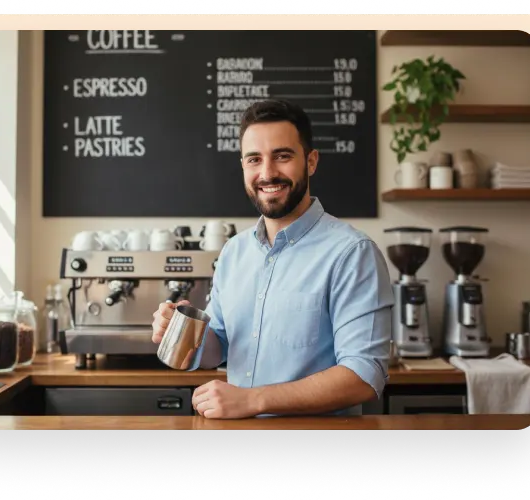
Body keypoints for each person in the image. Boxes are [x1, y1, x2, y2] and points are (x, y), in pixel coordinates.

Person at [152, 99, 394, 419]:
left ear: (310, 162)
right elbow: (219, 346)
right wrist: (183, 330)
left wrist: (253, 400)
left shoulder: (352, 253)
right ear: (243, 166)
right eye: (254, 159)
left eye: (282, 156)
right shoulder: (233, 252)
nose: (267, 173)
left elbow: (365, 374)